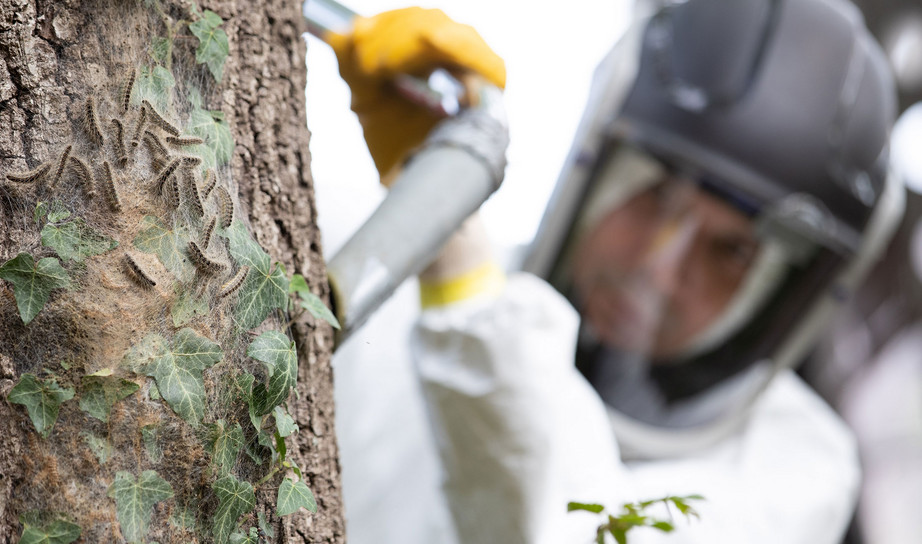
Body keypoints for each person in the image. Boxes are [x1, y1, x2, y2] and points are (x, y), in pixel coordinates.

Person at [328, 0, 904, 542]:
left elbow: (565, 529)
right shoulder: (402, 292)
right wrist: (435, 191)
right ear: (590, 170)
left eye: (732, 252)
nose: (661, 271)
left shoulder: (797, 465)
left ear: (784, 294)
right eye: (655, 197)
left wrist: (459, 270)